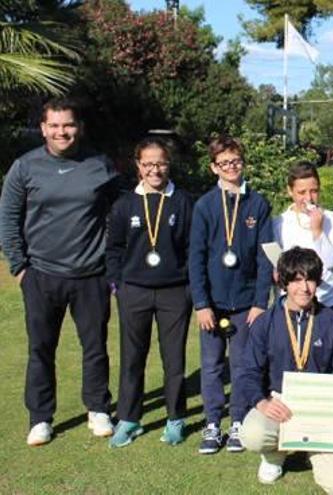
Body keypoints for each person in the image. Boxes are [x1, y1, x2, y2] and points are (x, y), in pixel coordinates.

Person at [0, 97, 119, 446]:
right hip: (41, 275)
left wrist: (110, 263)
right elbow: (8, 219)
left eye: (67, 124)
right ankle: (40, 418)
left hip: (91, 275)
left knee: (95, 347)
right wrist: (20, 268)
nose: (61, 131)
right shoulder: (25, 167)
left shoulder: (99, 164)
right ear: (43, 129)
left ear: (78, 127)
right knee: (41, 348)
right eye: (54, 125)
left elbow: (121, 211)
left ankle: (98, 409)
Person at [237, 247, 333, 493]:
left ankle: (311, 448)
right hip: (281, 405)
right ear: (283, 282)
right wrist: (262, 404)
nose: (304, 288)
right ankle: (273, 456)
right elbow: (247, 372)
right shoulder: (265, 323)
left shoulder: (332, 322)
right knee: (252, 434)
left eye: (310, 279)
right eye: (296, 280)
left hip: (323, 410)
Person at [105, 136, 193, 447]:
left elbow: (191, 248)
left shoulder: (182, 201)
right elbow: (113, 248)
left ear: (169, 164)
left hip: (174, 291)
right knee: (132, 358)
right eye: (148, 164)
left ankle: (175, 418)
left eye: (161, 163)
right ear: (138, 166)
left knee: (174, 360)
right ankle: (129, 419)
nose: (155, 169)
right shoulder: (125, 203)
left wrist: (190, 287)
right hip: (134, 291)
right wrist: (117, 283)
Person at [189, 135, 273, 454]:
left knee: (240, 365)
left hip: (245, 304)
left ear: (243, 162)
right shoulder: (205, 205)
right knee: (211, 365)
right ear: (214, 168)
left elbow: (266, 257)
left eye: (235, 161)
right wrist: (201, 304)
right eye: (224, 163)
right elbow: (195, 259)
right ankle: (213, 423)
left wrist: (258, 303)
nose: (231, 167)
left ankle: (238, 420)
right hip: (212, 304)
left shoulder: (258, 204)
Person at [273, 162, 333, 311]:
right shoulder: (280, 223)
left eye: (314, 191)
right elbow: (277, 265)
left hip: (326, 301)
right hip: (291, 303)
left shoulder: (332, 218)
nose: (309, 198)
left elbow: (330, 262)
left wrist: (317, 230)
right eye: (301, 192)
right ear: (290, 191)